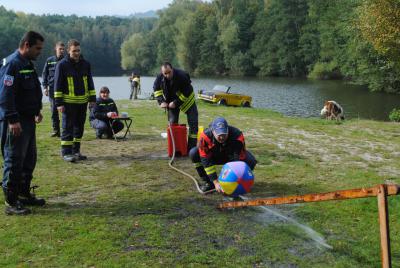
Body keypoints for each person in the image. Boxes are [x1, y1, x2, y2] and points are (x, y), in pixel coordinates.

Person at [0, 31, 46, 215]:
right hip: (15, 122)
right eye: (37, 48)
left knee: (29, 158)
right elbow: (5, 95)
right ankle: (11, 202)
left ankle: (24, 193)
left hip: (28, 120)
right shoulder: (12, 64)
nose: (39, 52)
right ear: (26, 45)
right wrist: (12, 119)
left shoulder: (27, 63)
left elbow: (30, 90)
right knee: (14, 159)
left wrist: (36, 111)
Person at [54, 39, 96, 162]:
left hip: (82, 103)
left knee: (79, 127)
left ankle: (76, 151)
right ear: (68, 51)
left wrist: (92, 99)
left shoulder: (85, 64)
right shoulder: (62, 65)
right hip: (68, 103)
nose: (76, 53)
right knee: (67, 127)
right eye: (74, 51)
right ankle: (66, 153)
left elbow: (90, 82)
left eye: (78, 50)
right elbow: (57, 85)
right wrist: (59, 103)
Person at [189, 117, 257, 192]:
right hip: (213, 157)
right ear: (213, 131)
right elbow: (206, 161)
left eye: (224, 134)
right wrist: (216, 182)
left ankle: (241, 181)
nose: (221, 137)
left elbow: (236, 159)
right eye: (219, 134)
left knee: (251, 161)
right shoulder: (205, 137)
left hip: (230, 156)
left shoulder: (237, 135)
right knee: (194, 153)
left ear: (228, 130)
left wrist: (230, 181)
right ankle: (208, 183)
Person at [153, 62, 198, 151]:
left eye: (169, 72)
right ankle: (176, 148)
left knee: (193, 124)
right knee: (172, 124)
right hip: (171, 103)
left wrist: (176, 102)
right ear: (162, 73)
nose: (167, 75)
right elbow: (156, 89)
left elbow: (188, 91)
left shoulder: (182, 75)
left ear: (172, 69)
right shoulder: (159, 77)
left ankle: (191, 148)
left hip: (187, 100)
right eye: (165, 73)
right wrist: (161, 101)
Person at [42, 41, 65, 137]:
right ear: (55, 49)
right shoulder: (49, 60)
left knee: (65, 110)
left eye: (63, 49)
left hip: (63, 89)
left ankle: (65, 130)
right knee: (53, 111)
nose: (62, 51)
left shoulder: (66, 60)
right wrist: (44, 87)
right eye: (60, 49)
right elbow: (44, 74)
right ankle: (56, 130)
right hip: (51, 89)